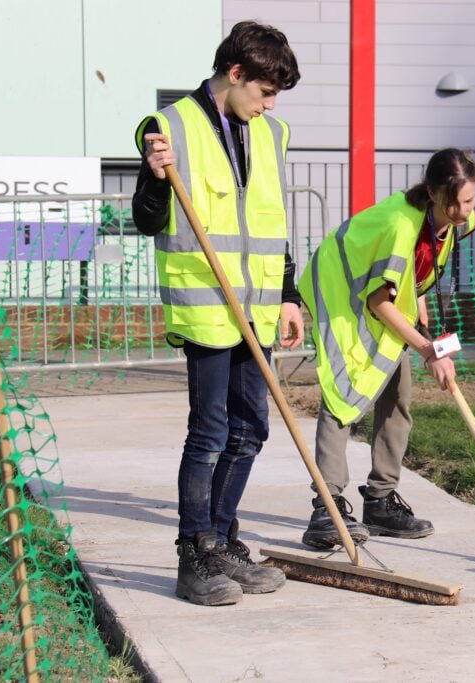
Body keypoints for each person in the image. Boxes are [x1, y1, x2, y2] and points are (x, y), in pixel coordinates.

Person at [131, 21, 305, 607]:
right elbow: (148, 219)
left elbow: (272, 222)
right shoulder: (171, 127)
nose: (269, 105)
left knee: (250, 428)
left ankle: (225, 539)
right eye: (263, 92)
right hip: (207, 307)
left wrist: (288, 294)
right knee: (209, 432)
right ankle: (194, 554)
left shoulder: (271, 133)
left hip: (255, 306)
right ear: (235, 74)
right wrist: (156, 181)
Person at [299, 148, 475, 549]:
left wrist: (418, 300)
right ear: (433, 194)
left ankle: (380, 503)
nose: (462, 211)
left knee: (397, 398)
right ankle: (326, 509)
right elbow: (377, 301)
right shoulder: (401, 225)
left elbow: (414, 268)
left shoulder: (451, 220)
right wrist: (428, 348)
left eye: (469, 200)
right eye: (454, 202)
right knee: (344, 394)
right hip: (344, 296)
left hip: (383, 296)